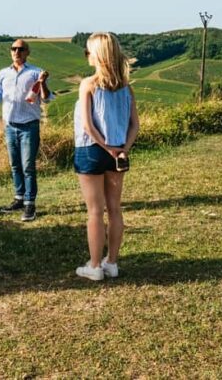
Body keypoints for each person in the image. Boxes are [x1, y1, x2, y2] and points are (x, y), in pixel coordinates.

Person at [73, 32, 139, 281]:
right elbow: (135, 125)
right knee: (114, 208)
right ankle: (111, 262)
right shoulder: (126, 89)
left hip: (90, 149)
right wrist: (122, 149)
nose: (87, 56)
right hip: (118, 149)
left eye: (88, 51)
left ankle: (94, 265)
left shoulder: (88, 84)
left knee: (94, 211)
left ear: (98, 55)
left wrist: (104, 146)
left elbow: (88, 126)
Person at [0, 39, 53, 221]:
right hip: (10, 126)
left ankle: (29, 204)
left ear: (27, 52)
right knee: (15, 165)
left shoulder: (35, 72)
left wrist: (43, 83)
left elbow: (46, 98)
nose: (16, 52)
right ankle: (19, 198)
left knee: (28, 166)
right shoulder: (3, 73)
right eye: (14, 49)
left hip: (29, 126)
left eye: (20, 49)